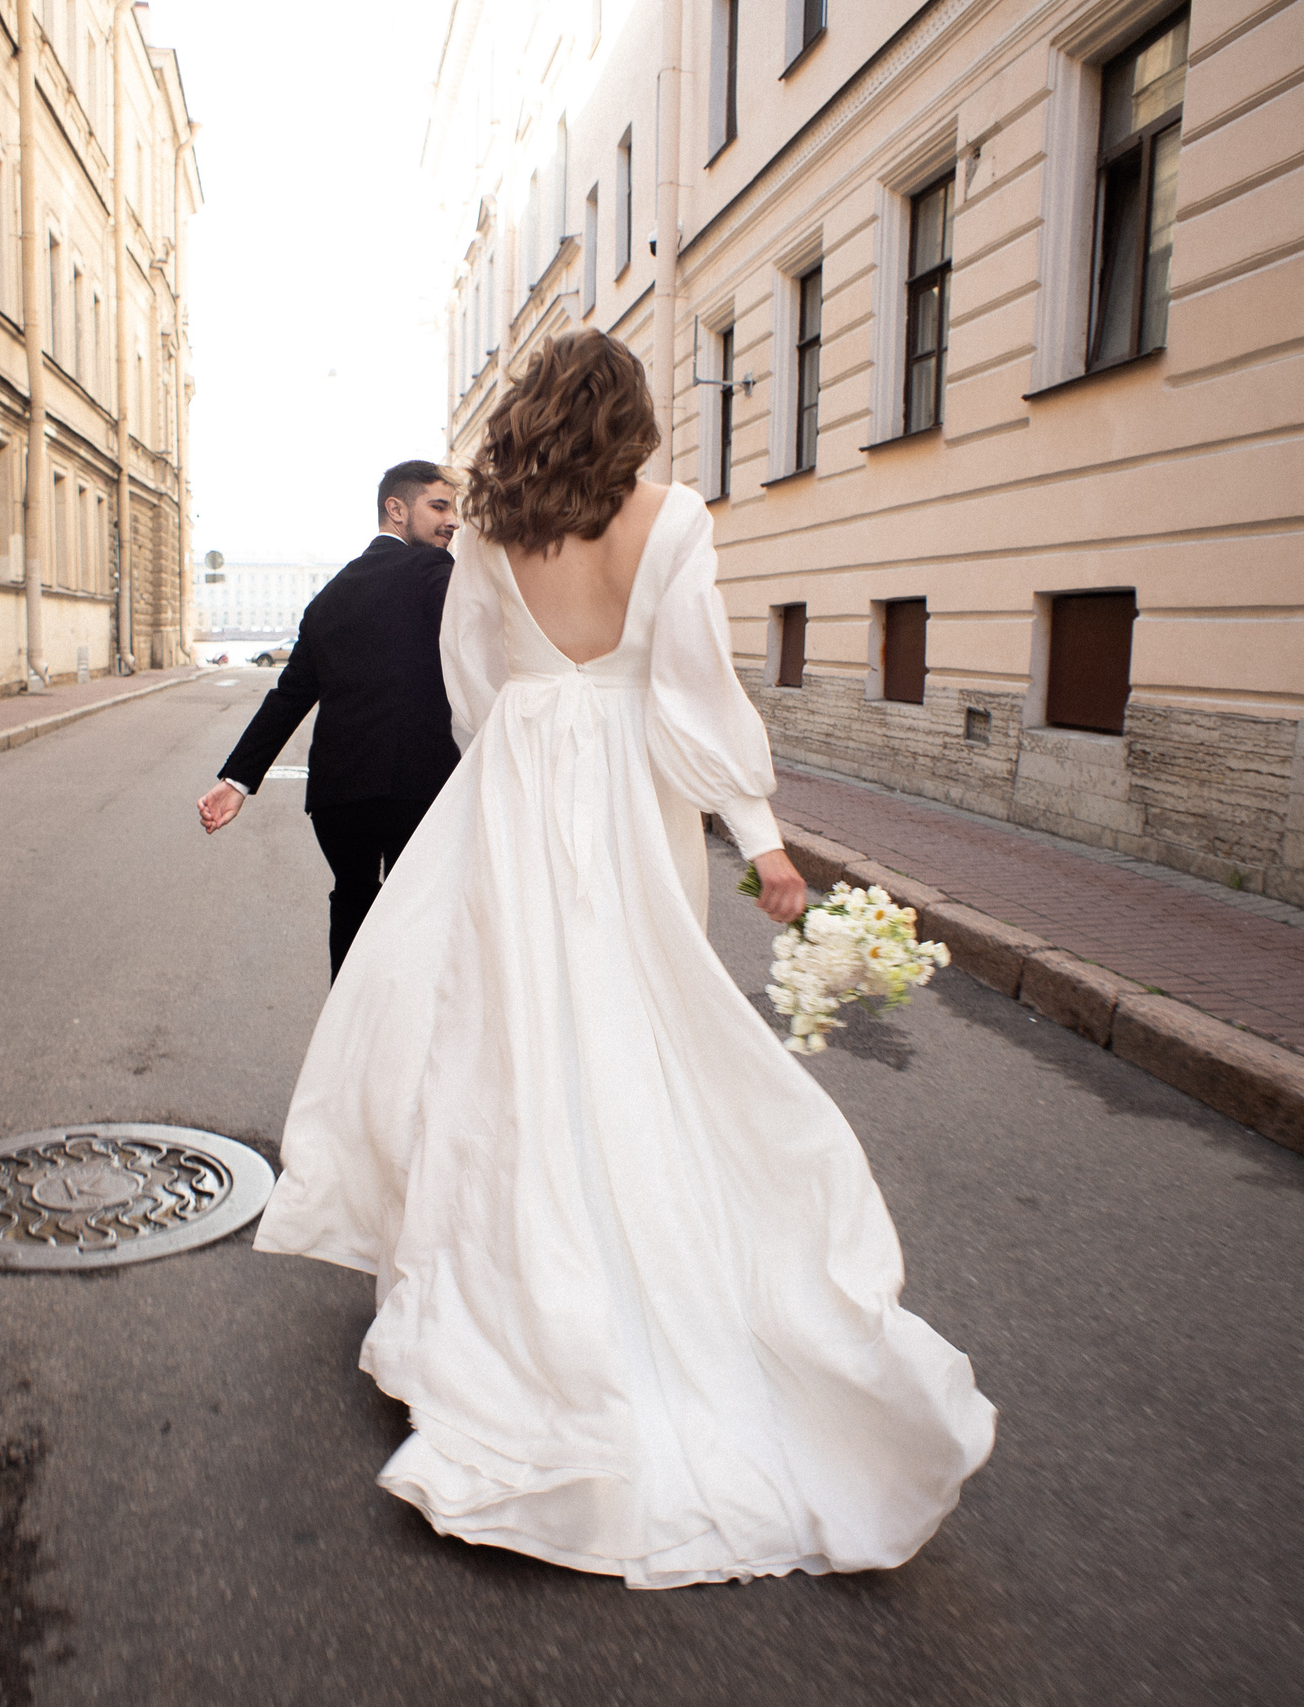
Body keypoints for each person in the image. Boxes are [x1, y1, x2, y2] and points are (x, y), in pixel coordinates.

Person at [252, 332, 995, 1589]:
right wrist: (759, 837)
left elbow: (470, 685)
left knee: (501, 1036)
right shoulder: (673, 519)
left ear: (532, 414)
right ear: (633, 417)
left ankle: (509, 1296)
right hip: (630, 801)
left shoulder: (489, 529)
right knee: (638, 1021)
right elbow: (696, 692)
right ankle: (656, 1281)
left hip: (515, 786)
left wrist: (519, 749)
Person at [198, 461, 463, 976]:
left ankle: (345, 1014)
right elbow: (477, 644)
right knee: (416, 913)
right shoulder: (433, 569)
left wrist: (237, 780)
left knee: (352, 901)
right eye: (439, 506)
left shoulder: (330, 595)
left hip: (338, 796)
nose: (452, 520)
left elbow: (290, 696)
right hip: (417, 784)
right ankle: (397, 1015)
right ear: (396, 509)